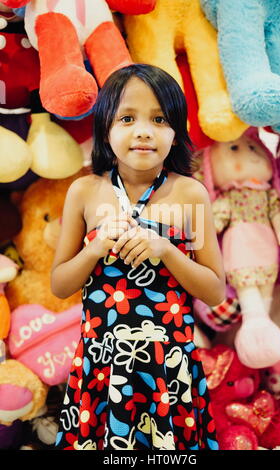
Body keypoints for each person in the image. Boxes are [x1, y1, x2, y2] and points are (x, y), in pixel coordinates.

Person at [51, 64, 225, 451]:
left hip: (169, 368)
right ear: (105, 128)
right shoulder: (84, 191)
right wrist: (94, 249)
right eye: (127, 118)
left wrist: (166, 251)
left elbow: (215, 290)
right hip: (102, 363)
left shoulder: (190, 194)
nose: (144, 130)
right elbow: (60, 284)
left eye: (159, 119)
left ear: (176, 131)